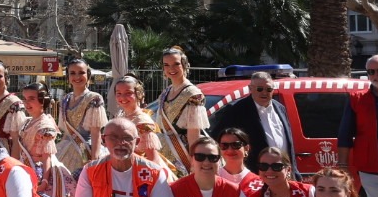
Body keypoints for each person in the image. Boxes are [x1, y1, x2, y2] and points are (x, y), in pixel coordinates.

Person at [339, 54, 378, 197]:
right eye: (371, 71)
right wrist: (343, 166)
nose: (376, 75)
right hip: (374, 171)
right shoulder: (357, 99)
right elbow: (345, 135)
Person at [152, 45, 209, 176]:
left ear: (184, 65)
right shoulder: (166, 92)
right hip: (165, 152)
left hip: (183, 154)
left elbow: (193, 131)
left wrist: (195, 161)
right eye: (166, 65)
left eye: (176, 64)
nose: (171, 69)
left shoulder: (193, 94)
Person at [217, 71, 293, 162]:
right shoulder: (236, 109)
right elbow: (219, 138)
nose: (264, 93)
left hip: (282, 170)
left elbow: (289, 145)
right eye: (260, 89)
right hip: (255, 171)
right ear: (250, 88)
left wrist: (295, 172)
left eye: (268, 89)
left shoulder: (280, 108)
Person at [56, 58, 108, 169]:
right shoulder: (65, 99)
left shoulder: (94, 99)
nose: (77, 77)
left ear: (88, 75)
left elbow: (96, 132)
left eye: (81, 73)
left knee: (84, 180)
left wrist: (94, 159)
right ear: (68, 77)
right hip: (66, 149)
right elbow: (66, 132)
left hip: (85, 149)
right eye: (72, 73)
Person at [114, 75, 165, 165]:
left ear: (138, 94)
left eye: (128, 93)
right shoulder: (120, 116)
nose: (122, 97)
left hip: (139, 169)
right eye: (119, 93)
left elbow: (153, 159)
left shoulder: (142, 121)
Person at [16, 82, 55, 166]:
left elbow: (46, 157)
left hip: (38, 170)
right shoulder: (26, 121)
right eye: (25, 99)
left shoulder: (45, 125)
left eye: (31, 99)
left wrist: (45, 178)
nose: (27, 102)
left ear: (42, 100)